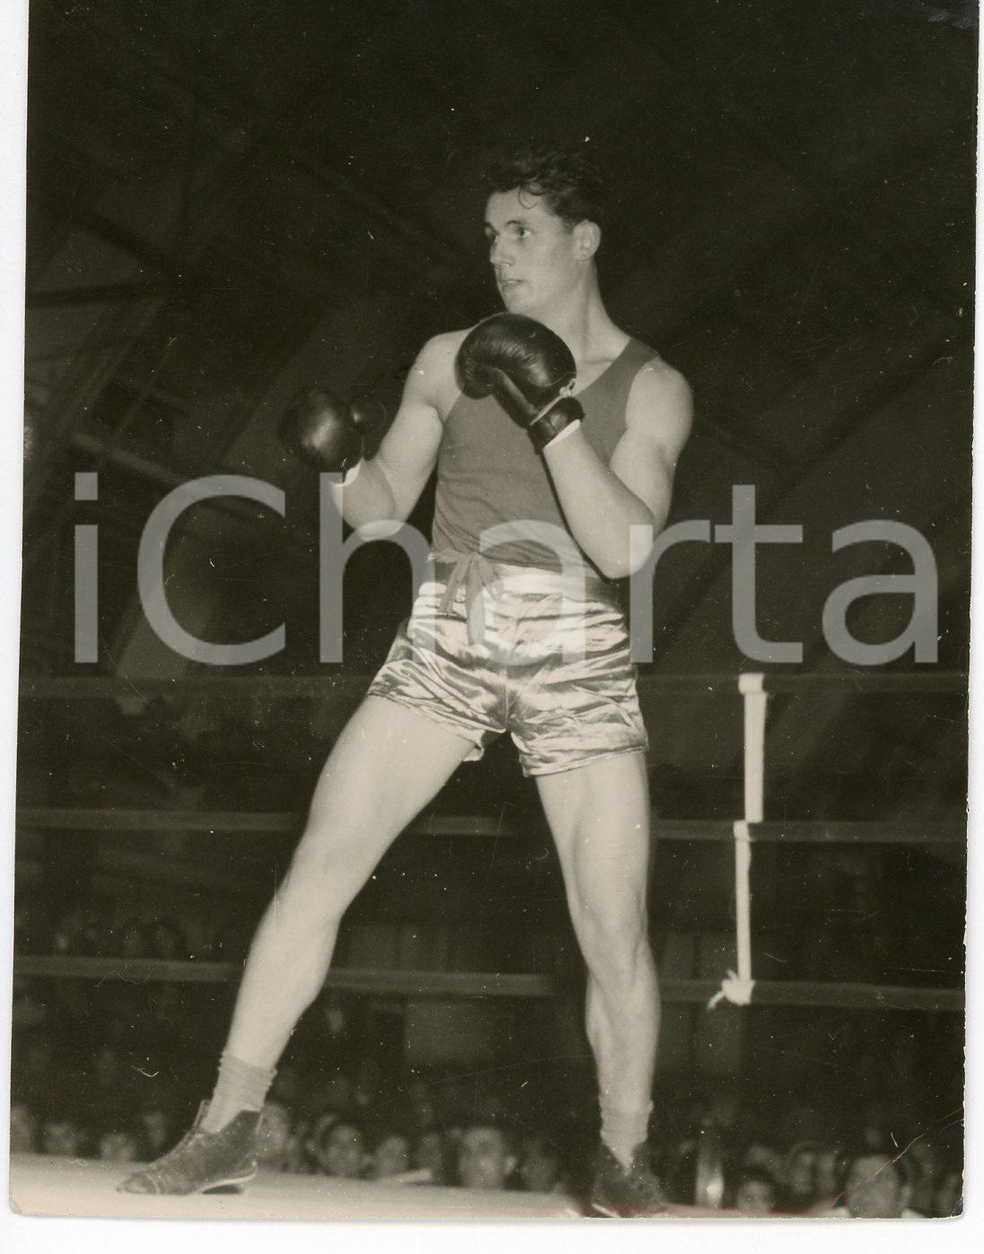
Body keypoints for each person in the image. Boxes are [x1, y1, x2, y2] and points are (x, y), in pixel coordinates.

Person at [120, 141, 693, 1215]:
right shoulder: (445, 356)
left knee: (608, 921)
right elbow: (382, 512)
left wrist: (553, 409)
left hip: (575, 636)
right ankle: (226, 1122)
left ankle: (625, 1154)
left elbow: (624, 549)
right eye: (489, 234)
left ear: (584, 239)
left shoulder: (654, 386)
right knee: (320, 857)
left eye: (519, 231)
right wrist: (340, 459)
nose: (498, 253)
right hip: (449, 623)